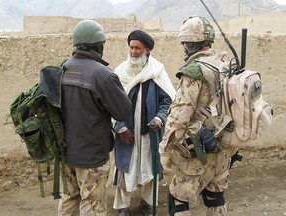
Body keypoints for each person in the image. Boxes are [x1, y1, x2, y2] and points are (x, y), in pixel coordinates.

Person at [159, 16, 238, 216]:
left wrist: (165, 150)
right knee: (215, 198)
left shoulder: (194, 71)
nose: (184, 48)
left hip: (199, 151)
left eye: (184, 44)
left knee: (177, 199)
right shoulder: (225, 66)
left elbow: (179, 116)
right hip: (224, 148)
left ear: (190, 44)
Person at [58, 20, 132, 216]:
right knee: (92, 204)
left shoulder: (62, 69)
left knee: (69, 200)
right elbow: (123, 111)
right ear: (100, 46)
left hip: (66, 153)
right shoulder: (102, 75)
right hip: (91, 157)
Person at [112, 30, 176, 216]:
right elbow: (112, 102)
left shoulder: (156, 71)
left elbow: (167, 100)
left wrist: (159, 118)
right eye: (131, 47)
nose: (133, 51)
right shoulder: (120, 71)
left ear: (147, 50)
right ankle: (122, 206)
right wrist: (121, 127)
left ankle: (147, 203)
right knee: (126, 168)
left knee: (149, 167)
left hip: (150, 133)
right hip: (127, 133)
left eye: (138, 48)